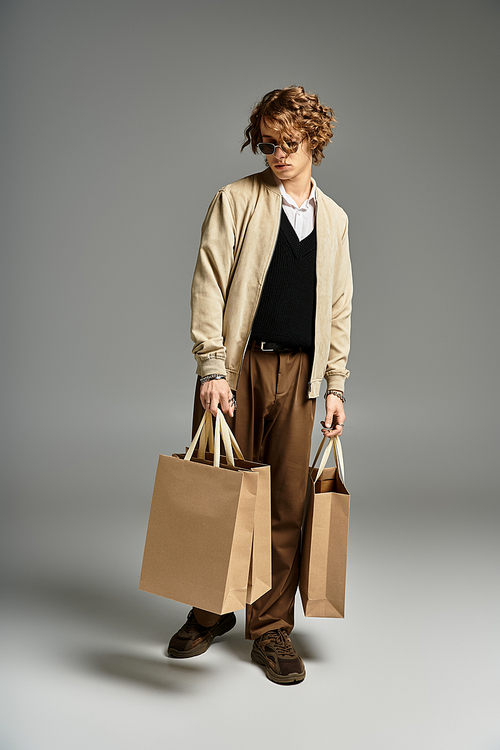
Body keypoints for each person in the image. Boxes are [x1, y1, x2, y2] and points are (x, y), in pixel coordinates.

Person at [167, 86, 353, 685]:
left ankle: (271, 628)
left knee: (286, 504)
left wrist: (336, 386)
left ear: (314, 141)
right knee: (220, 489)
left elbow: (341, 307)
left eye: (290, 143)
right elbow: (209, 282)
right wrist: (212, 367)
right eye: (268, 143)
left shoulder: (335, 220)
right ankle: (208, 608)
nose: (278, 153)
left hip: (301, 376)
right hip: (240, 367)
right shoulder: (237, 199)